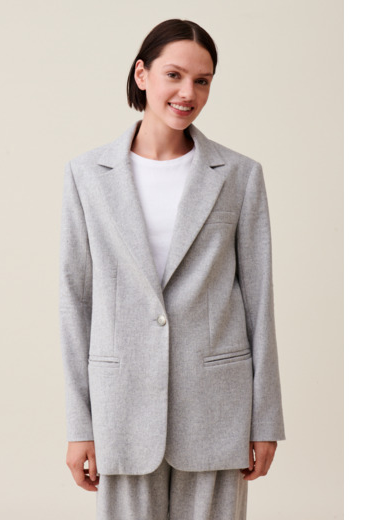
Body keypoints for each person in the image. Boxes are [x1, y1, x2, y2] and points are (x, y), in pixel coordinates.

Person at [59, 18, 286, 520]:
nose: (188, 93)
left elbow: (259, 301)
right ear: (141, 74)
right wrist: (81, 424)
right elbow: (75, 302)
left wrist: (265, 419)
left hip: (217, 409)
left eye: (202, 81)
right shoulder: (87, 176)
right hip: (121, 410)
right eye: (174, 75)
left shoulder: (240, 175)